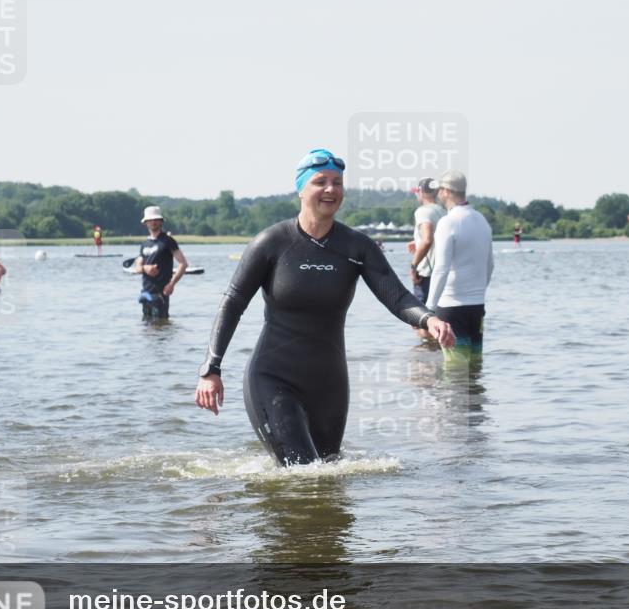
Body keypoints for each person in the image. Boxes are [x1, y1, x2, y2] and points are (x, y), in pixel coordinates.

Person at [194, 148, 455, 466]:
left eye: (337, 182)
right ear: (301, 190)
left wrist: (429, 319)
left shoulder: (357, 246)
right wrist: (211, 369)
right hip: (274, 378)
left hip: (330, 386)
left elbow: (396, 296)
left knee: (330, 479)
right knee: (303, 472)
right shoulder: (272, 242)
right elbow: (232, 303)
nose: (331, 189)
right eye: (320, 182)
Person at [426, 169, 494, 363]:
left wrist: (429, 309)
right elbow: (490, 265)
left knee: (455, 369)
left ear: (447, 191)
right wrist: (478, 291)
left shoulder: (448, 222)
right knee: (474, 366)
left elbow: (441, 268)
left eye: (440, 190)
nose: (438, 194)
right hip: (477, 306)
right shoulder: (482, 221)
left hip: (452, 307)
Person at [407, 178, 447, 341]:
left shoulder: (423, 211)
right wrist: (416, 242)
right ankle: (436, 354)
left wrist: (413, 266)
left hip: (427, 273)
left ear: (421, 192)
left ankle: (426, 357)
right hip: (443, 273)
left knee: (421, 320)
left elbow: (428, 239)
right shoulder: (444, 211)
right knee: (439, 318)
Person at [132, 206, 188, 320]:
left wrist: (172, 284)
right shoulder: (144, 244)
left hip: (161, 293)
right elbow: (137, 267)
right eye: (150, 220)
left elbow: (183, 264)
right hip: (145, 293)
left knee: (161, 326)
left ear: (161, 221)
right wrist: (145, 268)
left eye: (156, 219)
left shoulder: (168, 241)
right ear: (145, 222)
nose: (153, 222)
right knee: (146, 328)